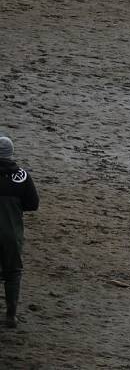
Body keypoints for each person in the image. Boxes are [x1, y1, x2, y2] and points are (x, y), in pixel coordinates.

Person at [0, 135, 40, 328]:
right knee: (13, 272)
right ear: (11, 153)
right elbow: (33, 204)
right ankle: (11, 315)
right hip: (11, 234)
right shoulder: (22, 176)